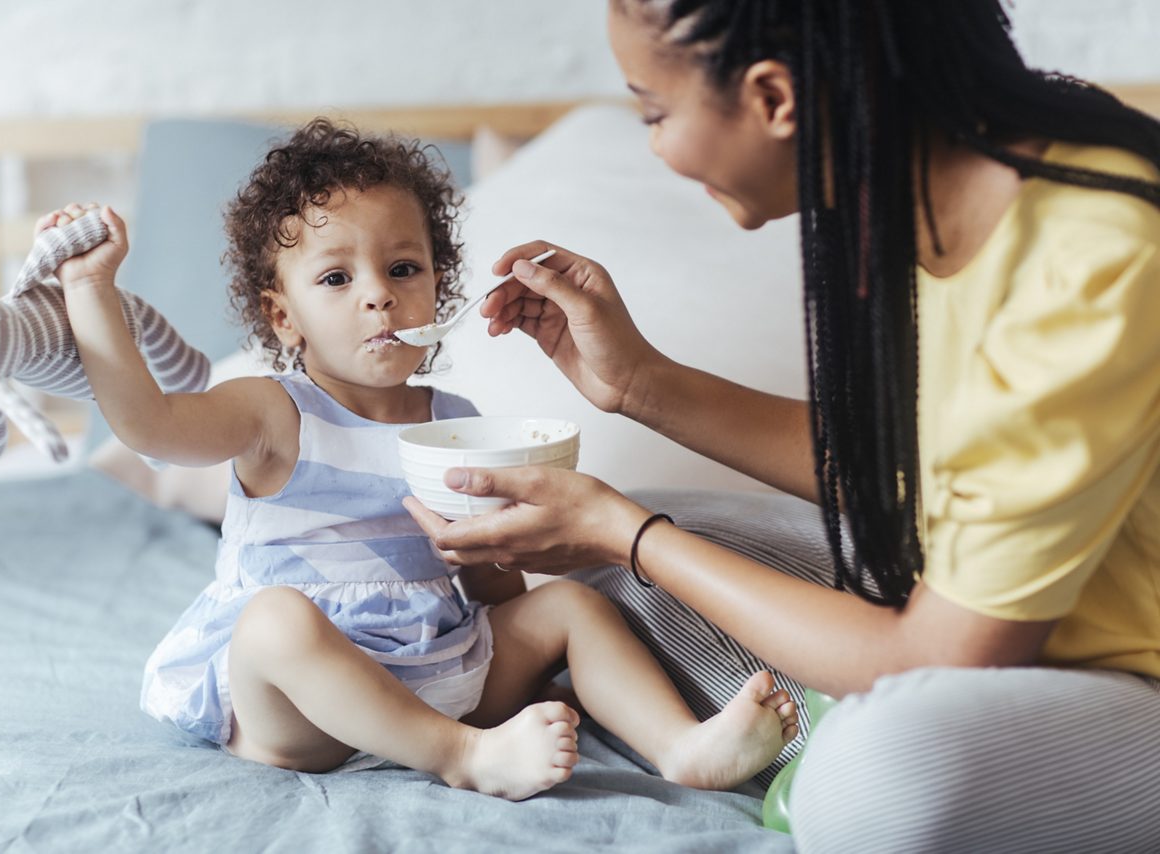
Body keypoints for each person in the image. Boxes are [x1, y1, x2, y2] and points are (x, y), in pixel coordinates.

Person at [403, 0, 1160, 848]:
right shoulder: (940, 188)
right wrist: (639, 385)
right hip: (1008, 611)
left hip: (1123, 677)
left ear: (774, 98)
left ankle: (832, 725)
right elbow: (918, 473)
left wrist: (628, 533)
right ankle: (809, 697)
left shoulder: (1085, 265)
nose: (655, 144)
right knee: (608, 568)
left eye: (655, 111)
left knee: (869, 784)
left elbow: (942, 657)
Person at [43, 118, 799, 802]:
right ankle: (461, 757)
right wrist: (89, 289)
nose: (378, 296)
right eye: (337, 279)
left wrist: (479, 550)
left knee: (571, 605)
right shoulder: (274, 410)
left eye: (403, 269)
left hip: (440, 668)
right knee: (276, 622)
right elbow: (151, 425)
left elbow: (496, 595)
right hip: (305, 711)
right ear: (284, 316)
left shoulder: (455, 424)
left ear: (440, 284)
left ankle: (680, 748)